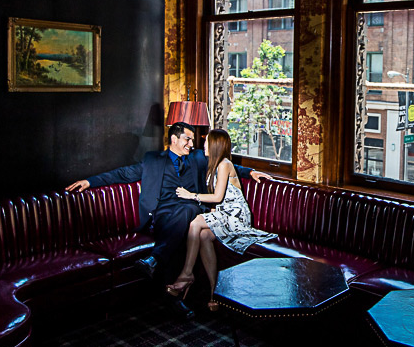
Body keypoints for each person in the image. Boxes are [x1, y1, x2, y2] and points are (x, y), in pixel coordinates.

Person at [64, 122, 269, 317]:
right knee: (184, 222)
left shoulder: (197, 157)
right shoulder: (153, 160)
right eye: (187, 139)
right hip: (162, 215)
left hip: (190, 209)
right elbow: (124, 174)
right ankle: (174, 286)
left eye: (193, 140)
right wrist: (90, 181)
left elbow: (224, 164)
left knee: (188, 210)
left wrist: (250, 172)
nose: (192, 144)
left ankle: (157, 263)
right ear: (174, 139)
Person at [172, 128, 277, 311]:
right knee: (204, 237)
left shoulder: (225, 164)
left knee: (195, 222)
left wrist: (191, 196)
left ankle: (186, 274)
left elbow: (218, 197)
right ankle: (215, 293)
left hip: (236, 215)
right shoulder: (214, 165)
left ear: (215, 145)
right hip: (224, 213)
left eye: (206, 142)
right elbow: (218, 203)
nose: (203, 145)